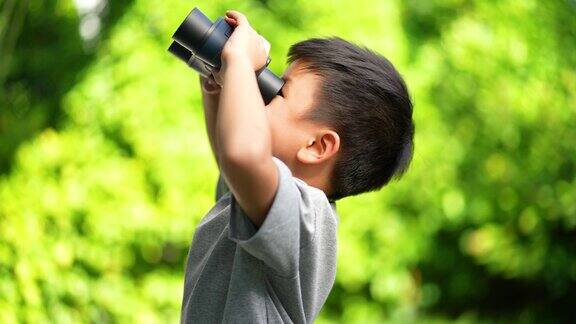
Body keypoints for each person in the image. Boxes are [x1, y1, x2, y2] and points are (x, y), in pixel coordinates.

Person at [180, 10, 414, 323]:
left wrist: (239, 63)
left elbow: (242, 155)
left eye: (281, 92)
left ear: (317, 147)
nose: (264, 94)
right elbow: (231, 158)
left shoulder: (307, 217)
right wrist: (218, 88)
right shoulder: (264, 201)